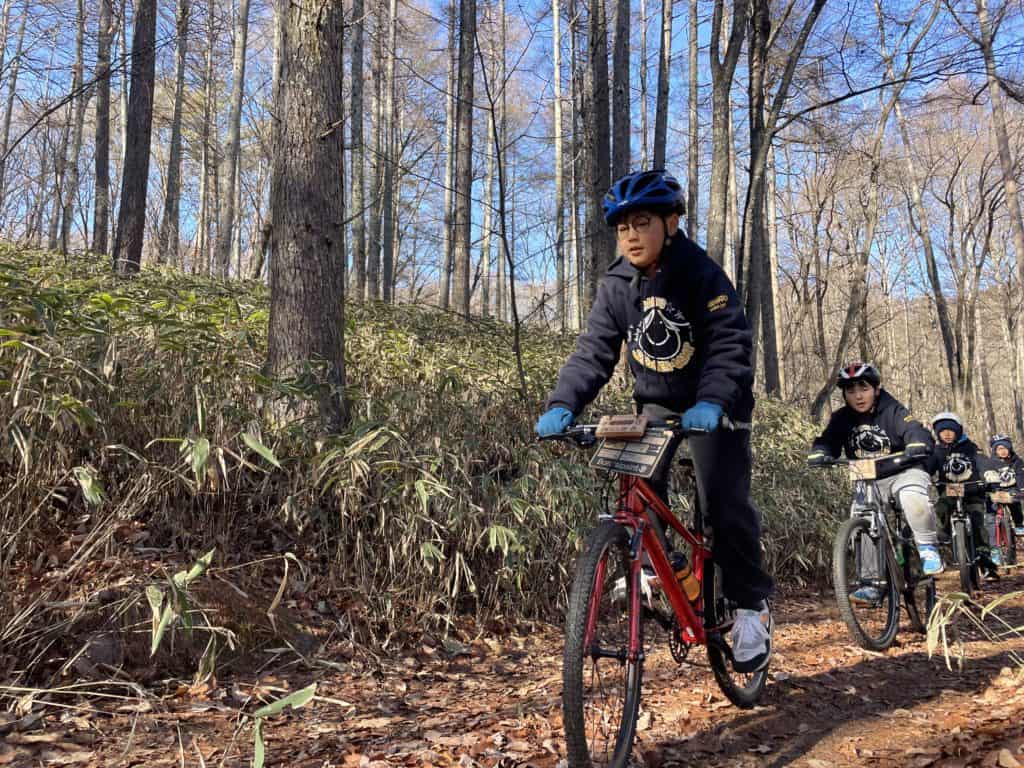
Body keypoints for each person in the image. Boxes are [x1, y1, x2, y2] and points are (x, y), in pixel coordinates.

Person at [535, 169, 773, 673]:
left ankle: (750, 608)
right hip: (658, 404)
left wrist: (713, 402)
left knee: (723, 502)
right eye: (622, 227)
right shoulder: (616, 285)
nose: (631, 236)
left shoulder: (701, 274)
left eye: (642, 223)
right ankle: (663, 565)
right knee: (639, 487)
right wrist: (564, 403)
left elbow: (729, 343)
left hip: (718, 403)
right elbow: (594, 350)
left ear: (671, 223)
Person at [806, 362, 942, 603]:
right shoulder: (841, 418)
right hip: (868, 477)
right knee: (863, 517)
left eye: (864, 388)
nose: (858, 396)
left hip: (904, 470)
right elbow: (828, 440)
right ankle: (870, 582)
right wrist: (820, 452)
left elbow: (913, 428)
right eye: (850, 391)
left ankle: (927, 547)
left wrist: (917, 442)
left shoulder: (893, 409)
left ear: (876, 389)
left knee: (912, 497)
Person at [930, 413, 999, 580]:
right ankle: (945, 540)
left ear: (958, 432)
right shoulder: (937, 451)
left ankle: (985, 560)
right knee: (940, 508)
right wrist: (921, 474)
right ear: (938, 434)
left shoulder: (970, 447)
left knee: (978, 522)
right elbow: (928, 466)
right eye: (943, 431)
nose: (947, 434)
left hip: (972, 491)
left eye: (951, 431)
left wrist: (989, 473)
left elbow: (982, 461)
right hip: (950, 490)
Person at [990, 434, 1024, 537]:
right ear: (995, 451)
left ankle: (1018, 524)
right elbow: (987, 476)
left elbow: (1020, 475)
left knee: (1015, 505)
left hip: (1012, 488)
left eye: (1005, 448)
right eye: (999, 449)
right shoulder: (991, 463)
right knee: (991, 511)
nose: (1003, 451)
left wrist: (1022, 489)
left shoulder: (1017, 461)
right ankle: (995, 537)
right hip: (996, 490)